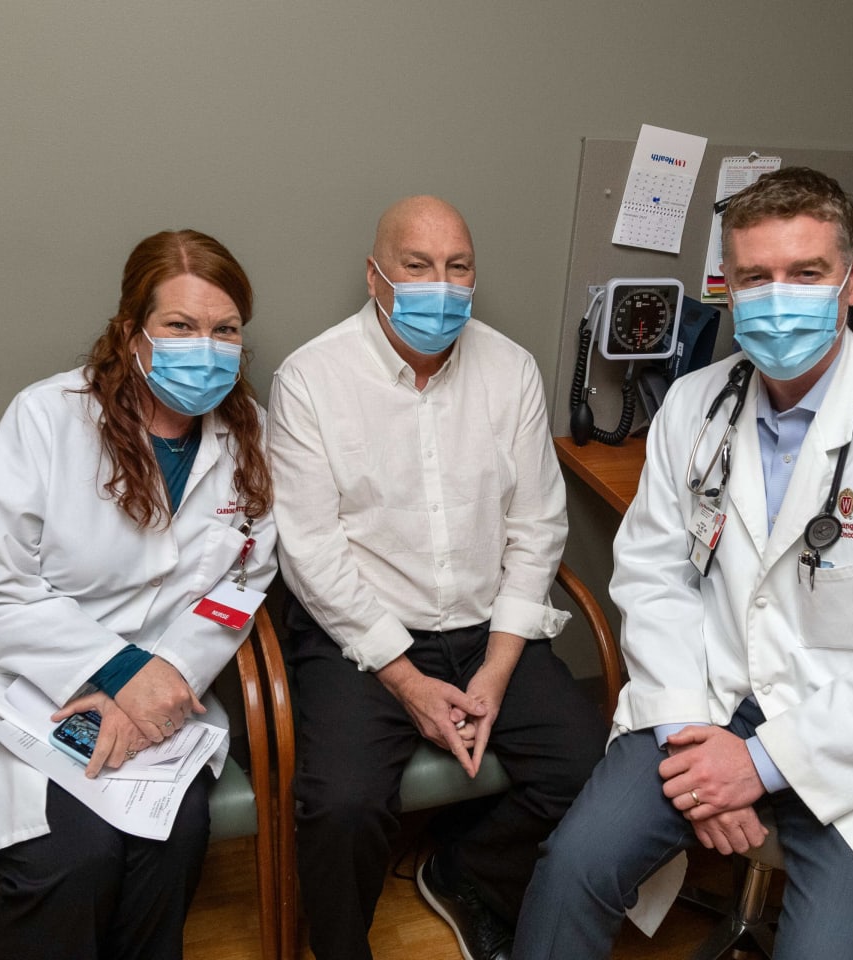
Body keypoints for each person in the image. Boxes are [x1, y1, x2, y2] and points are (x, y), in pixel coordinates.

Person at [513, 167, 853, 960]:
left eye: (806, 273)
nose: (778, 297)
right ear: (727, 285)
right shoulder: (693, 405)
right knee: (573, 866)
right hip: (709, 695)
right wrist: (692, 743)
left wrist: (757, 764)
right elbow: (654, 577)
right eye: (755, 277)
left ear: (852, 278)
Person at [0, 229, 278, 960]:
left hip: (149, 676)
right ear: (131, 332)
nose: (205, 348)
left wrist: (166, 675)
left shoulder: (247, 438)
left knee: (173, 832)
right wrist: (118, 673)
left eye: (225, 330)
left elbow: (242, 582)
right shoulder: (48, 417)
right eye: (180, 326)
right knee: (72, 853)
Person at [267, 195, 605, 960]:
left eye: (458, 267)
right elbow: (311, 551)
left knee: (593, 773)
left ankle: (466, 869)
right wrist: (406, 680)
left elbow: (538, 524)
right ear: (375, 275)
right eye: (417, 266)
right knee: (341, 806)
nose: (440, 285)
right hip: (362, 635)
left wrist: (499, 664)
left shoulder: (510, 369)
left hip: (488, 628)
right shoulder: (310, 380)